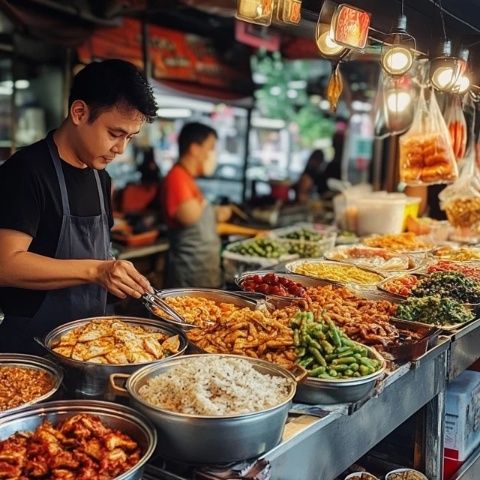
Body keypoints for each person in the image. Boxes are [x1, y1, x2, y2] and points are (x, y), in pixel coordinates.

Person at [0, 59, 158, 353]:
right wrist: (97, 271)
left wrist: (117, 277)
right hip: (31, 351)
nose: (121, 149)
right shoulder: (26, 171)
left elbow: (100, 254)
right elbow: (6, 264)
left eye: (130, 138)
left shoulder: (101, 178)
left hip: (91, 345)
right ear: (79, 112)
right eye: (114, 133)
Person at [162, 122, 231, 288]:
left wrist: (213, 211)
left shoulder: (187, 178)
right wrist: (204, 204)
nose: (212, 154)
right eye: (211, 148)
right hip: (188, 275)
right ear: (194, 148)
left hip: (202, 273)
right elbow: (188, 215)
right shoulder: (176, 177)